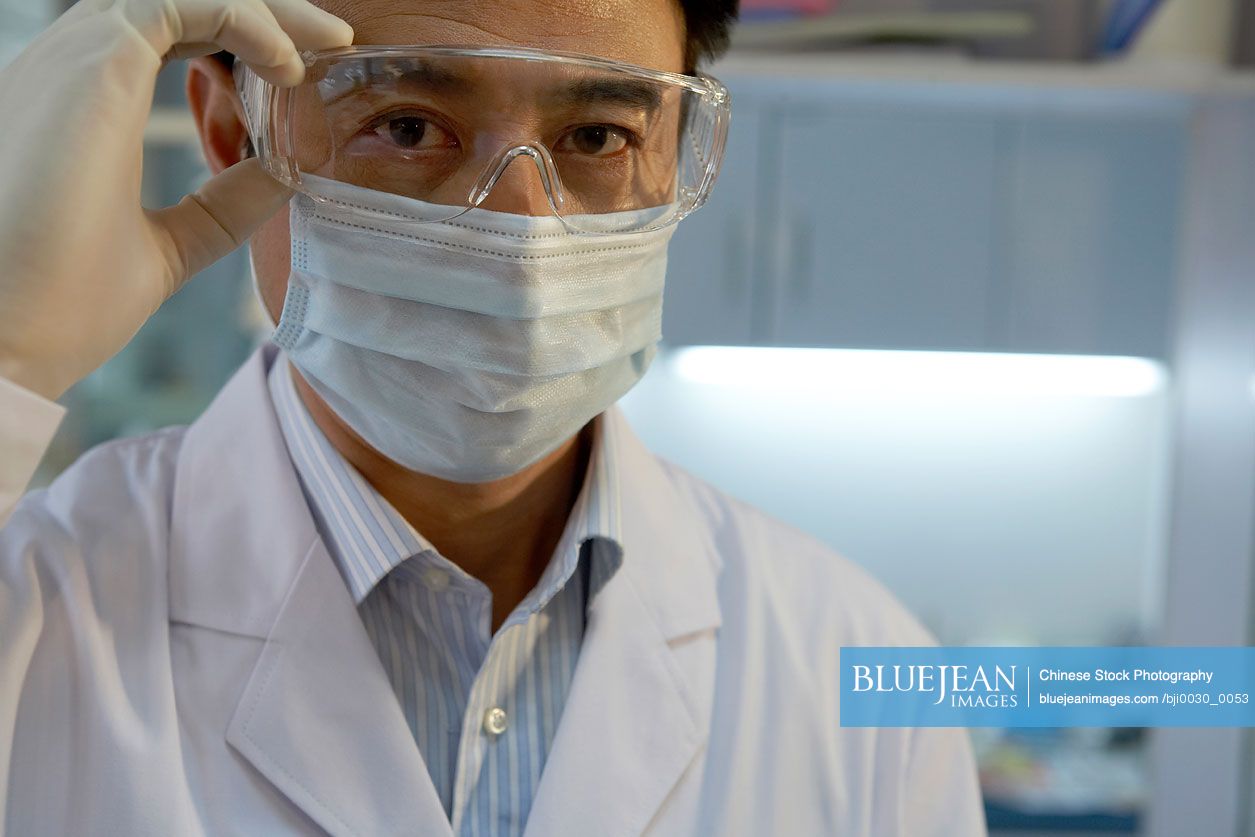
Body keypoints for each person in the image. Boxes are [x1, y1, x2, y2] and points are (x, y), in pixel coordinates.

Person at [0, 0, 986, 834]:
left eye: (596, 136)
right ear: (233, 133)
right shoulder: (30, 607)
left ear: (676, 151)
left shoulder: (855, 666)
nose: (518, 228)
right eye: (408, 123)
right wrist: (7, 350)